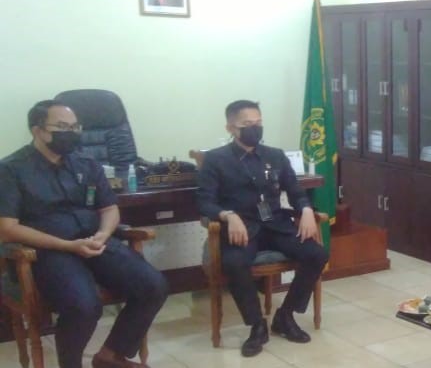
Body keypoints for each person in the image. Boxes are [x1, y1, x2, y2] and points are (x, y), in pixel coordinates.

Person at [0, 100, 168, 368]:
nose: (72, 133)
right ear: (38, 130)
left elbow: (109, 208)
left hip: (94, 242)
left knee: (153, 285)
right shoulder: (11, 169)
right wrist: (67, 246)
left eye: (75, 127)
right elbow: (7, 228)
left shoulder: (86, 163)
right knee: (84, 305)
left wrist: (103, 234)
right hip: (48, 252)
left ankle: (110, 355)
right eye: (62, 127)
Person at [196, 100, 329, 358]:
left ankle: (285, 316)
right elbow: (204, 202)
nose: (255, 128)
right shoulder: (215, 159)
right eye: (247, 124)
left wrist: (305, 210)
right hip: (241, 229)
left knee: (317, 254)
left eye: (258, 123)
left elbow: (296, 191)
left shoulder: (275, 155)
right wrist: (228, 215)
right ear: (231, 128)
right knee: (234, 263)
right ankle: (257, 325)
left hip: (276, 225)